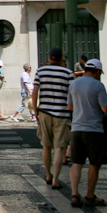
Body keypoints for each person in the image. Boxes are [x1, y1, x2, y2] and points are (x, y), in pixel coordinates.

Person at [67, 58, 107, 207]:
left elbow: (70, 106)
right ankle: (90, 195)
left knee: (76, 163)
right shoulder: (98, 85)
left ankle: (74, 194)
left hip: (76, 128)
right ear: (98, 71)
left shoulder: (73, 84)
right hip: (94, 129)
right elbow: (105, 108)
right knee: (94, 163)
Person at [33, 47, 74, 190]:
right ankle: (56, 179)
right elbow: (71, 95)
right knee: (59, 148)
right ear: (61, 58)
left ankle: (48, 174)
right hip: (62, 114)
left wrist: (36, 110)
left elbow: (35, 92)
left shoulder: (41, 71)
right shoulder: (68, 73)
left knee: (46, 146)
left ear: (49, 58)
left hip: (44, 112)